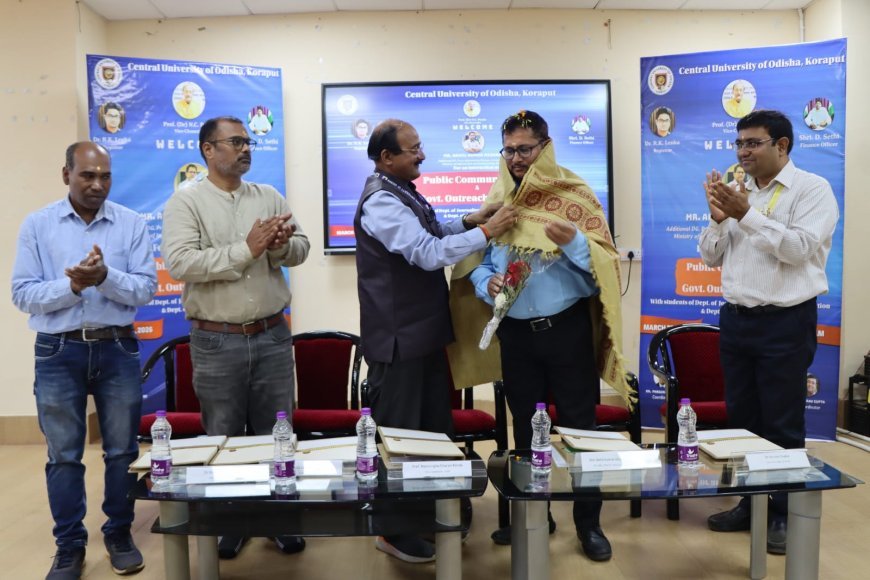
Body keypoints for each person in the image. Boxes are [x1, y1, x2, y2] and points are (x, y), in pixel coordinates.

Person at [465, 110, 630, 562]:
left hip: (566, 332)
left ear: (545, 147)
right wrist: (484, 282)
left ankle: (589, 525)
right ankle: (535, 515)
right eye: (509, 150)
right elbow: (480, 262)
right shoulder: (499, 199)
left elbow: (604, 267)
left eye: (525, 149)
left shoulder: (574, 195)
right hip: (517, 336)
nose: (516, 159)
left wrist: (574, 242)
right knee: (524, 430)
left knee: (581, 430)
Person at [354, 118, 516, 563]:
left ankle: (428, 515)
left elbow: (430, 233)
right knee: (401, 438)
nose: (421, 155)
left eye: (420, 146)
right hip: (398, 343)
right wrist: (487, 232)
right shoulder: (381, 201)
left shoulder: (401, 189)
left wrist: (468, 221)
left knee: (431, 434)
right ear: (387, 157)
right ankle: (393, 530)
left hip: (422, 338)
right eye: (413, 150)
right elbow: (425, 253)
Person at [162, 116, 310, 559]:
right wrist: (247, 250)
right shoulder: (185, 203)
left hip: (271, 335)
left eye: (248, 142)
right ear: (208, 150)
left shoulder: (268, 196)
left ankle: (278, 520)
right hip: (216, 340)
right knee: (223, 436)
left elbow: (300, 249)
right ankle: (229, 523)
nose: (246, 148)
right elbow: (181, 263)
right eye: (235, 142)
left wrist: (280, 245)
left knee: (277, 432)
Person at [11, 141, 157, 579]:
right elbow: (22, 294)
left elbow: (146, 288)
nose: (97, 184)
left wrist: (105, 276)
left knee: (122, 450)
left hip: (117, 347)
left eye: (105, 176)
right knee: (64, 455)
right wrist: (72, 286)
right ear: (66, 175)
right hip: (58, 350)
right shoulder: (38, 225)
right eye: (87, 175)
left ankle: (119, 533)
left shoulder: (130, 223)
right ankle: (70, 546)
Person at [700, 110, 839, 555]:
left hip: (785, 321)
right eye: (739, 143)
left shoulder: (812, 189)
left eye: (753, 143)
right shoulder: (738, 192)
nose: (743, 152)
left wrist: (746, 215)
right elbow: (710, 258)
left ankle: (781, 511)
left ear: (782, 145)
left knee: (782, 421)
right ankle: (750, 502)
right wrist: (719, 218)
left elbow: (798, 249)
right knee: (743, 420)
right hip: (736, 320)